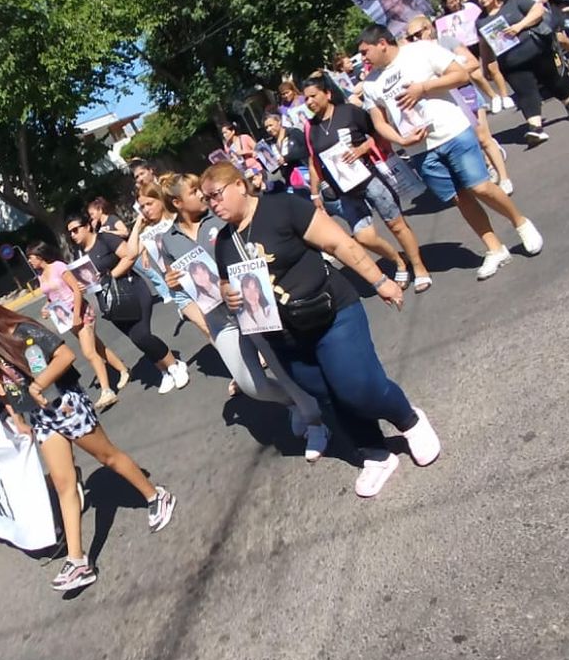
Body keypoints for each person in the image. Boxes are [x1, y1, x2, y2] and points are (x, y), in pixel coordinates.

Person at [201, 161, 440, 498]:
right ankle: (374, 452)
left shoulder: (284, 207)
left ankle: (409, 420)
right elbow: (228, 282)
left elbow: (338, 244)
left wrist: (379, 279)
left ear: (240, 185)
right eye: (207, 199)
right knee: (326, 396)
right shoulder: (225, 242)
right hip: (284, 336)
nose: (213, 204)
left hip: (331, 312)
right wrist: (227, 293)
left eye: (216, 195)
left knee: (358, 387)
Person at [0, 296, 176, 592]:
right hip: (41, 417)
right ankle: (78, 561)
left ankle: (156, 496)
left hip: (65, 405)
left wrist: (37, 384)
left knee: (107, 457)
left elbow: (65, 356)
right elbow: (10, 386)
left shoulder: (23, 331)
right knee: (63, 483)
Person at [157, 172, 329, 460]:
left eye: (205, 191)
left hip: (249, 306)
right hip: (217, 318)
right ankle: (295, 404)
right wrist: (172, 280)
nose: (204, 196)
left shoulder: (221, 217)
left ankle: (316, 423)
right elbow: (173, 277)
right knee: (251, 384)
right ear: (177, 202)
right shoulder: (168, 240)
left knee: (283, 369)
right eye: (195, 192)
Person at [357, 24, 544, 281]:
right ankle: (495, 248)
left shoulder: (421, 51)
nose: (363, 58)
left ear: (381, 43)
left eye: (365, 51)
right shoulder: (370, 83)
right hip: (420, 149)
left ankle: (521, 223)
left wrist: (423, 88)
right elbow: (378, 123)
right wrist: (401, 139)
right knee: (460, 198)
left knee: (480, 187)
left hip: (452, 131)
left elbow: (461, 76)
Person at [300, 73, 433, 292]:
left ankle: (419, 268)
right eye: (306, 99)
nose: (309, 102)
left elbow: (377, 134)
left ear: (328, 94)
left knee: (396, 225)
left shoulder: (349, 112)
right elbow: (314, 162)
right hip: (345, 190)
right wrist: (315, 195)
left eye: (313, 96)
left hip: (371, 179)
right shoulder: (311, 128)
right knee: (363, 236)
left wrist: (361, 149)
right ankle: (399, 260)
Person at [66, 213, 188, 394]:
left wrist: (111, 276)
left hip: (132, 290)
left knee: (142, 335)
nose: (72, 235)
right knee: (136, 339)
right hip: (110, 302)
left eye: (75, 230)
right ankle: (163, 371)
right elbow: (90, 280)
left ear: (87, 226)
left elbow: (129, 256)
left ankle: (174, 365)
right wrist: (84, 286)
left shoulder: (105, 239)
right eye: (70, 232)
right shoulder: (79, 254)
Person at [405, 17, 511, 194]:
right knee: (469, 141)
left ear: (428, 28)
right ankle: (488, 170)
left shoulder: (445, 42)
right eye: (410, 38)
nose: (415, 39)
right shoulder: (414, 54)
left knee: (483, 137)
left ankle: (505, 177)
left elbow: (473, 63)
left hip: (464, 93)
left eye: (417, 34)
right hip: (443, 101)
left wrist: (446, 75)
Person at [472, 0, 569, 145]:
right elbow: (485, 45)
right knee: (525, 94)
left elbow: (538, 11)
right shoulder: (481, 21)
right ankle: (536, 129)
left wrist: (520, 26)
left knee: (554, 81)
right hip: (511, 64)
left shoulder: (514, 2)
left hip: (537, 51)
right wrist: (487, 65)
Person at [26, 241, 127, 410]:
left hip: (80, 312)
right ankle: (123, 369)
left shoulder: (58, 267)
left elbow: (76, 289)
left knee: (89, 352)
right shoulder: (40, 276)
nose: (29, 261)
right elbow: (51, 296)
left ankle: (107, 390)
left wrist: (77, 315)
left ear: (40, 256)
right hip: (65, 317)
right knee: (97, 346)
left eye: (31, 257)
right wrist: (46, 307)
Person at [125, 181, 212, 342]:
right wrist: (137, 225)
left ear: (161, 200)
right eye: (142, 207)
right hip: (177, 287)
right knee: (207, 328)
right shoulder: (148, 230)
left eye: (149, 204)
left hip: (199, 277)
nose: (146, 210)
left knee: (221, 322)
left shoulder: (177, 218)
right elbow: (130, 254)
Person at [440, 0, 511, 113]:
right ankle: (494, 97)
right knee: (475, 74)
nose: (455, 3)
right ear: (446, 5)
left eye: (456, 0)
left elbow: (483, 19)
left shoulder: (470, 7)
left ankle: (505, 96)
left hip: (480, 40)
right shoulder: (444, 20)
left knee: (492, 68)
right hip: (463, 48)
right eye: (451, 2)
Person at [262, 111, 308, 192]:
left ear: (279, 122)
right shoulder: (271, 144)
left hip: (305, 174)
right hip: (290, 181)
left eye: (270, 125)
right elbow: (274, 170)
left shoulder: (294, 133)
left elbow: (306, 149)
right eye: (266, 127)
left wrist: (286, 158)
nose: (269, 129)